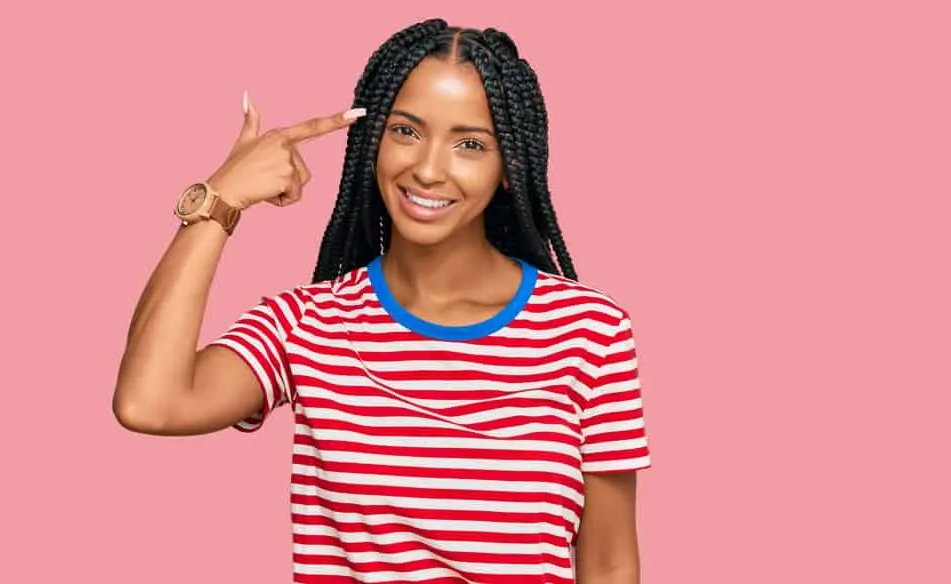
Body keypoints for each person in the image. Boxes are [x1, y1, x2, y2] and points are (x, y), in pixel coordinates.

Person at [113, 18, 651, 584]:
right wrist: (220, 200)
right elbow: (150, 403)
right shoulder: (307, 326)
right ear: (372, 142)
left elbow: (610, 562)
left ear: (510, 168)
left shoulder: (589, 329)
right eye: (406, 131)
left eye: (469, 144)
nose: (427, 168)